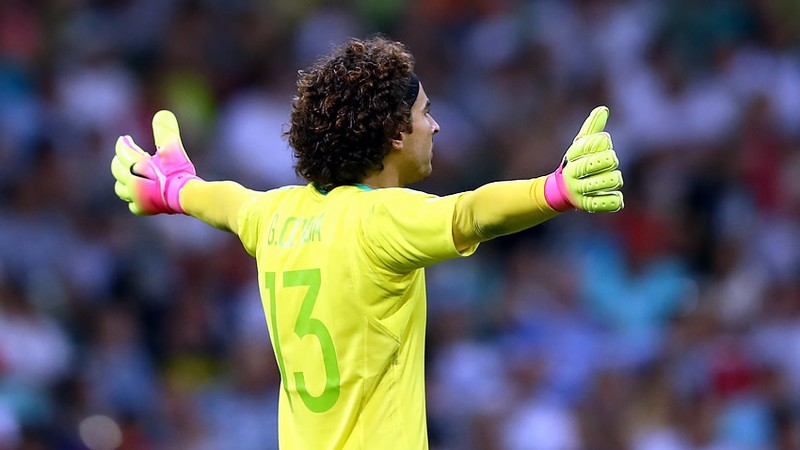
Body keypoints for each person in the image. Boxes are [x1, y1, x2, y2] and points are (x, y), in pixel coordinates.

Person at [110, 35, 623, 450]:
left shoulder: (273, 214)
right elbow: (471, 213)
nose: (435, 126)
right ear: (396, 134)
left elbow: (225, 200)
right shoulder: (379, 220)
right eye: (424, 113)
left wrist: (175, 189)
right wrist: (553, 190)